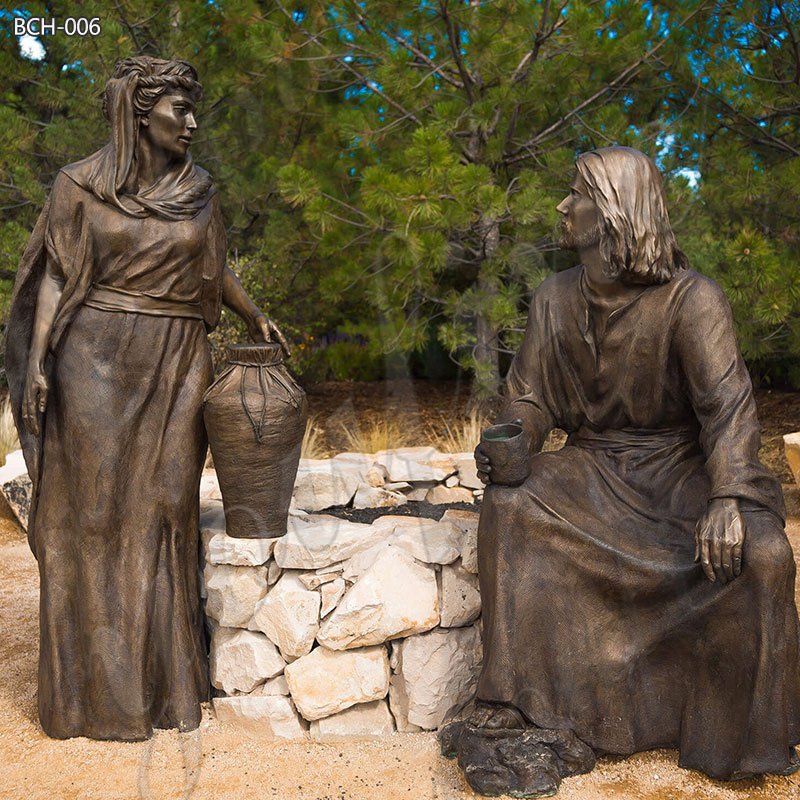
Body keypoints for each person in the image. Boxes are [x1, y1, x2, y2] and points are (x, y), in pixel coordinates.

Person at [471, 146, 800, 781]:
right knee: (510, 504)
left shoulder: (692, 299)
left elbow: (729, 408)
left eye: (578, 195)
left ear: (615, 214)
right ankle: (508, 696)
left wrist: (728, 498)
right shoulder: (553, 299)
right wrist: (517, 437)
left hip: (682, 473)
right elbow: (531, 397)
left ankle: (740, 738)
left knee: (763, 556)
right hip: (593, 469)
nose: (563, 206)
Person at [5, 56, 287, 741]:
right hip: (93, 357)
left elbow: (212, 267)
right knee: (94, 512)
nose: (190, 123)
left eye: (193, 110)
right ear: (140, 113)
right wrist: (39, 358)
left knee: (165, 505)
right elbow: (53, 277)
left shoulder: (200, 191)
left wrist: (251, 315)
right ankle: (90, 696)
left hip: (178, 355)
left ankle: (165, 689)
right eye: (177, 110)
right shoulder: (79, 185)